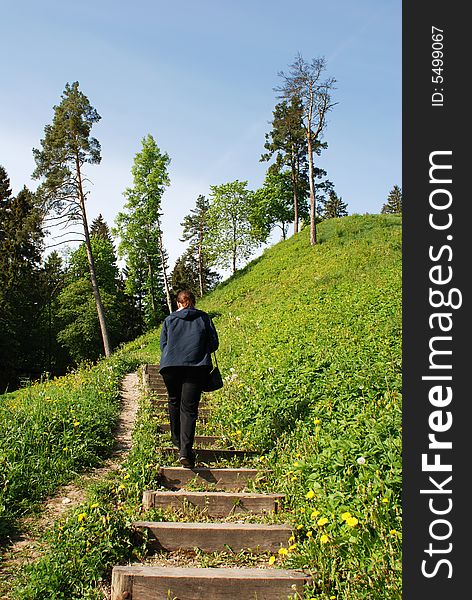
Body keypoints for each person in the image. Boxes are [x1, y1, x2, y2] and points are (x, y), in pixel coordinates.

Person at [159, 289, 219, 468]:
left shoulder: (169, 320)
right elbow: (214, 343)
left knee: (174, 401)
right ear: (193, 302)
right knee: (189, 408)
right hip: (196, 367)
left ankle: (176, 439)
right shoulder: (203, 318)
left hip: (171, 367)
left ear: (178, 303)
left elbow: (163, 345)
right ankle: (185, 451)